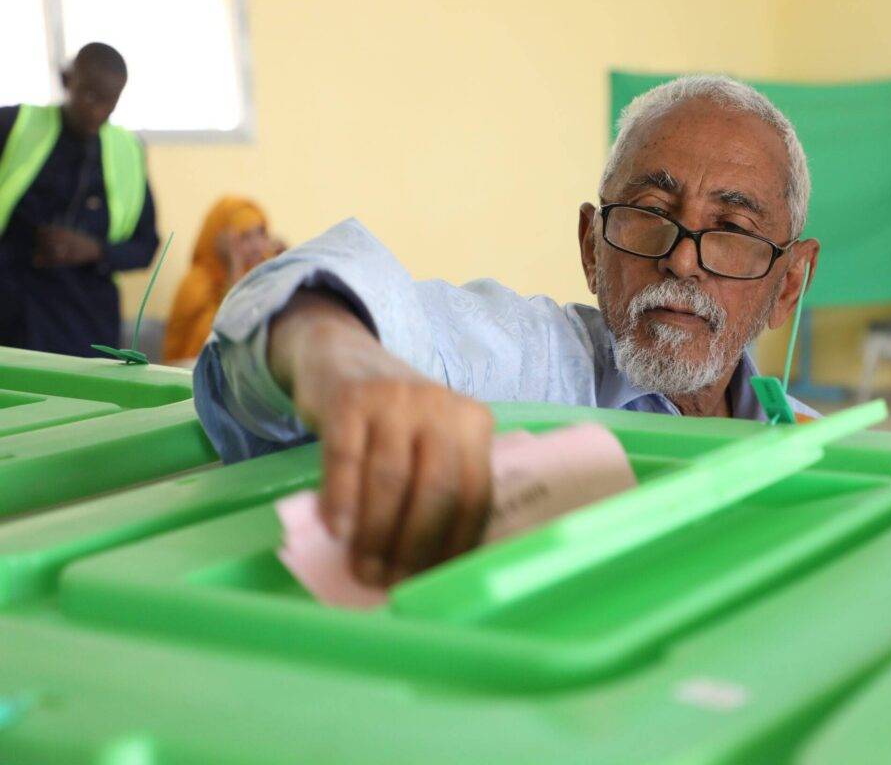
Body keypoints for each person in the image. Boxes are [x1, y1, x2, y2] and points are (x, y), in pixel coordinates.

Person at [195, 75, 821, 586]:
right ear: (591, 249)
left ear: (788, 284)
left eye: (733, 229)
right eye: (651, 214)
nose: (681, 259)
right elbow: (349, 308)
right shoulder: (533, 361)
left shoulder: (824, 455)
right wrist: (342, 360)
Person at [0, 42, 160, 357]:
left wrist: (94, 250)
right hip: (14, 317)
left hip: (89, 327)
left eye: (109, 101)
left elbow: (145, 247)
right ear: (66, 80)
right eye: (88, 95)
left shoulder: (127, 151)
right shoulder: (13, 126)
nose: (96, 110)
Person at [163, 195, 284, 364]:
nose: (257, 246)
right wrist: (235, 268)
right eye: (245, 237)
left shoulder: (258, 277)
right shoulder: (196, 284)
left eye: (261, 234)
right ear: (219, 239)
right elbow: (219, 341)